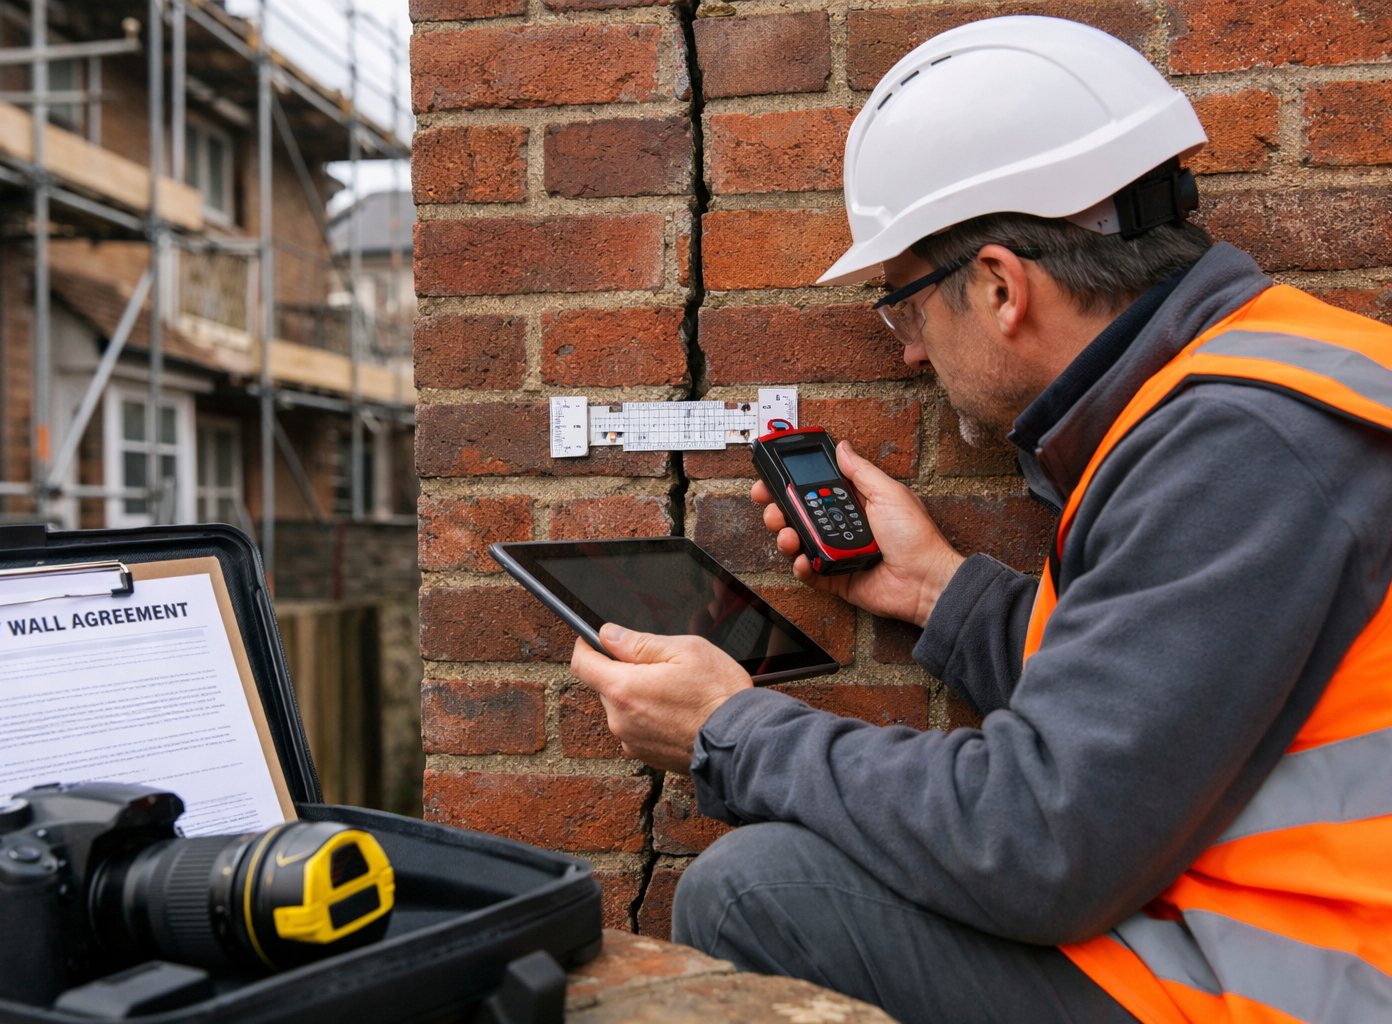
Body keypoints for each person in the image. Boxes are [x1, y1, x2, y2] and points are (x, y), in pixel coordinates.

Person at [568, 16, 1392, 1024]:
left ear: (1001, 287)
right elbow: (1163, 698)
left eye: (905, 306)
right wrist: (936, 588)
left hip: (1311, 985)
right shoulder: (1245, 386)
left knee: (755, 891)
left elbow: (1045, 839)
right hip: (1243, 924)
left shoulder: (1240, 445)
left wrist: (730, 729)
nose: (910, 349)